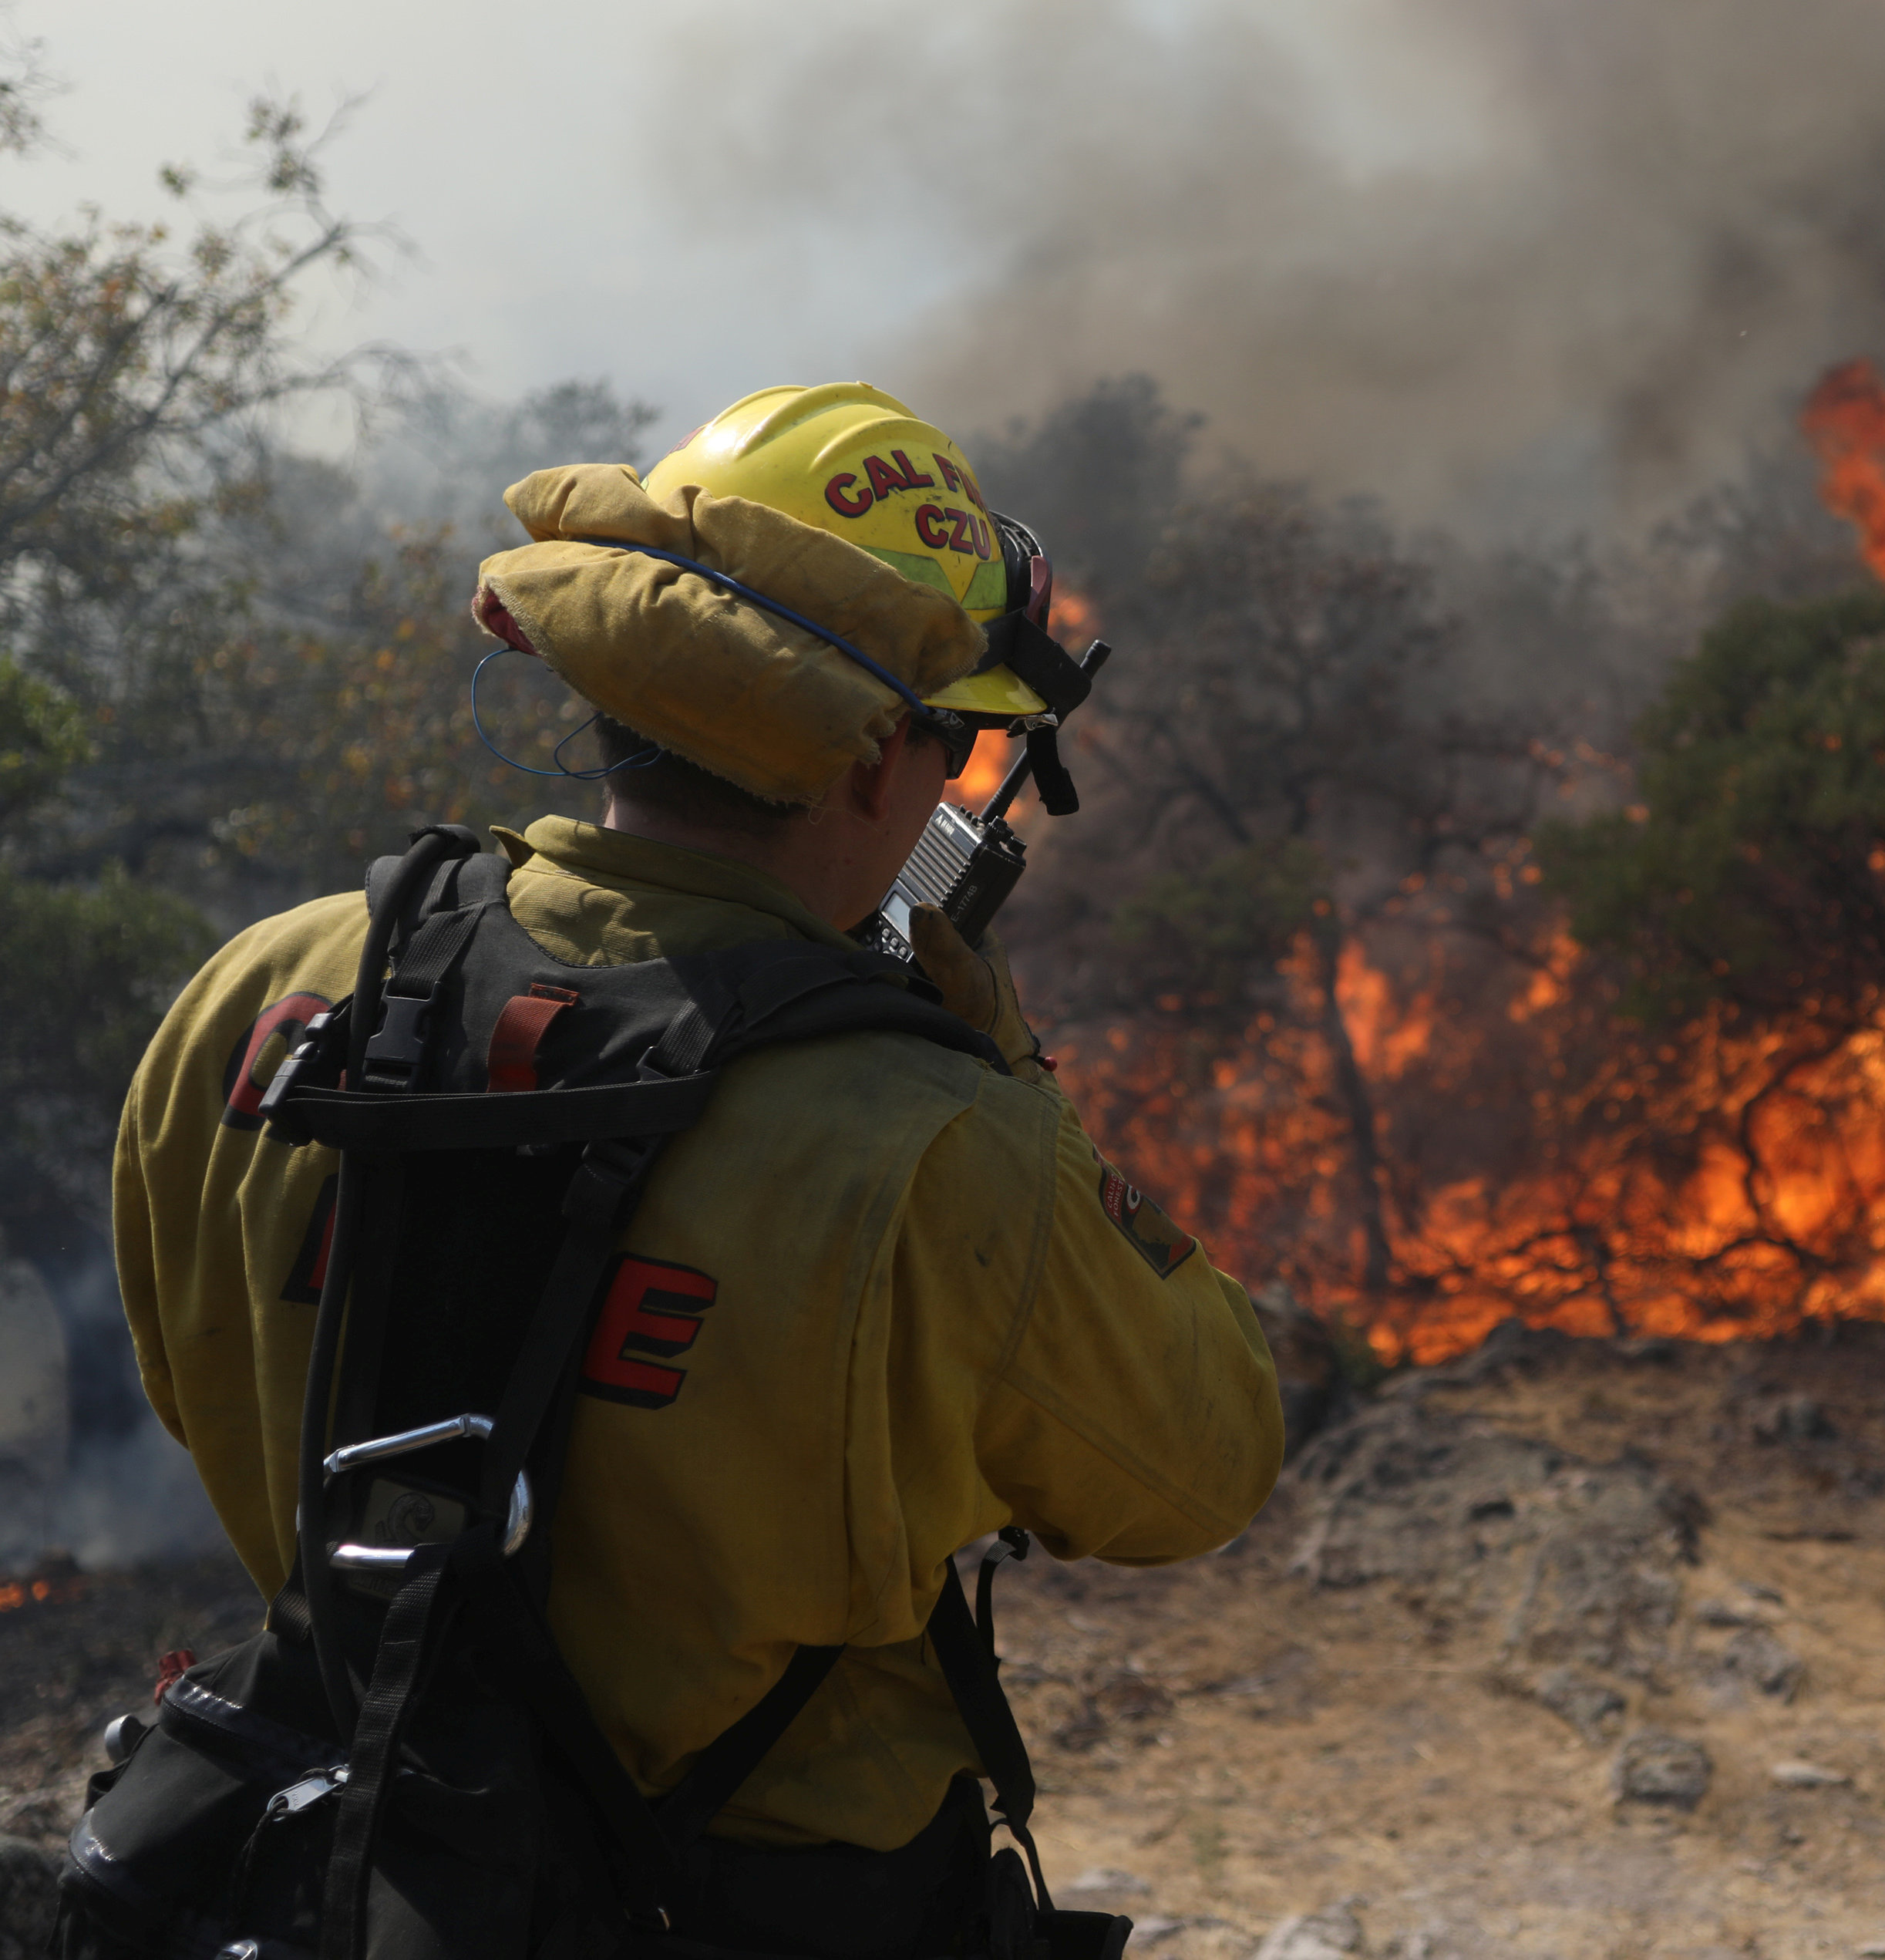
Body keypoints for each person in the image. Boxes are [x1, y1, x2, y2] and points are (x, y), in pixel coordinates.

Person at [108, 383, 1286, 1953]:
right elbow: (1205, 1460)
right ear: (877, 752)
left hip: (339, 1873)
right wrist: (1002, 1063)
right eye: (955, 739)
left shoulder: (272, 989)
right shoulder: (940, 1142)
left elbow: (191, 1377)